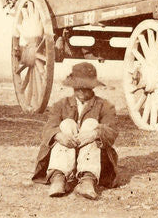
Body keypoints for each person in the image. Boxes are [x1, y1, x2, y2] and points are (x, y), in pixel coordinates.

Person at [33, 62, 119, 199]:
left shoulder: (105, 106)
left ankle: (87, 180)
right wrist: (58, 136)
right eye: (78, 88)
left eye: (86, 88)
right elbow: (48, 128)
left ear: (92, 87)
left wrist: (94, 134)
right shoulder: (60, 105)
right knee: (67, 124)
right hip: (64, 152)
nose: (82, 92)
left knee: (91, 124)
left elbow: (112, 131)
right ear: (73, 87)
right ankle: (58, 177)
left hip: (94, 157)